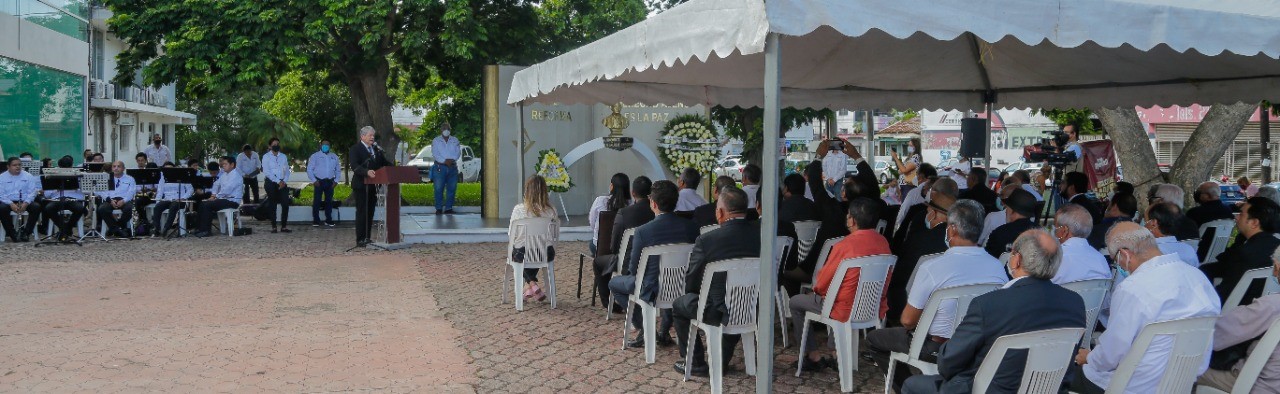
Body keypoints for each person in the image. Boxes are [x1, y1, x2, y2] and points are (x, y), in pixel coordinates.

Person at [904, 229, 1086, 393]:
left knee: (912, 385)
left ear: (1017, 260)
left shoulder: (989, 304)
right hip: (1047, 389)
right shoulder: (1075, 303)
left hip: (986, 389)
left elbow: (948, 363)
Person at [867, 199, 1008, 391]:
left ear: (952, 229)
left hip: (938, 347)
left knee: (874, 339)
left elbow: (908, 321)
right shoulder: (997, 267)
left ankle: (908, 389)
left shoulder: (932, 267)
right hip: (981, 347)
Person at [1071, 222, 1220, 393]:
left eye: (1115, 260)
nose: (1118, 266)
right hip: (1180, 382)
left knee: (1061, 376)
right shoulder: (1198, 278)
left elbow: (1112, 353)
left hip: (1129, 385)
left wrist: (1089, 358)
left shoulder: (1133, 287)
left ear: (1124, 254)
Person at [787, 197, 891, 369]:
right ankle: (836, 352)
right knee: (842, 293)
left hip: (843, 308)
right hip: (872, 306)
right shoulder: (883, 242)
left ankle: (812, 356)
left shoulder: (845, 245)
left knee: (796, 302)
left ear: (852, 220)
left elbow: (822, 282)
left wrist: (816, 292)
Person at [672, 186, 759, 377]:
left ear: (720, 212)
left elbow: (692, 280)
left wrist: (693, 293)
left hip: (715, 310)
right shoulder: (762, 236)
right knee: (735, 304)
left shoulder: (707, 240)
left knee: (680, 305)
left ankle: (695, 362)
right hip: (752, 306)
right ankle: (721, 360)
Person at [608, 180, 698, 348]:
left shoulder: (643, 231)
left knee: (614, 283)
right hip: (682, 286)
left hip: (651, 288)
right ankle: (663, 331)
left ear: (653, 203)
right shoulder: (691, 227)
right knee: (668, 285)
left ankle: (645, 329)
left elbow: (634, 268)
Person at [1197, 248, 1280, 392]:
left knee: (1179, 367)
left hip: (1257, 384)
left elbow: (1214, 335)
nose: (1273, 273)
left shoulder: (1271, 305)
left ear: (1278, 267)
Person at [1202, 197, 1280, 305]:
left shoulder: (1245, 254)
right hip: (1271, 310)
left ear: (1254, 223)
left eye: (1241, 214)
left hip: (1242, 312)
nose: (1237, 217)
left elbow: (1224, 295)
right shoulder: (1276, 246)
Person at [593, 176, 654, 309]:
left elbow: (614, 245)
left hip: (628, 262)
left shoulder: (624, 213)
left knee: (598, 262)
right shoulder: (655, 213)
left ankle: (607, 301)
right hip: (653, 262)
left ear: (633, 193)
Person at [511, 175, 561, 302]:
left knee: (515, 254)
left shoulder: (519, 210)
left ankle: (530, 284)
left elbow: (511, 234)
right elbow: (554, 235)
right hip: (546, 252)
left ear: (527, 190)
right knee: (537, 252)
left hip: (523, 253)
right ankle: (531, 285)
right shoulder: (551, 211)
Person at [1050, 204, 1112, 284]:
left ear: (1064, 231)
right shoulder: (1100, 259)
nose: (1054, 231)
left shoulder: (1054, 258)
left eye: (1055, 227)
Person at [350, 126, 389, 246]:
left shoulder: (376, 150)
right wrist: (366, 172)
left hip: (374, 186)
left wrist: (396, 169)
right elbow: (355, 166)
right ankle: (360, 239)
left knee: (370, 212)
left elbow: (384, 163)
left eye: (373, 135)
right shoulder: (355, 149)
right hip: (361, 185)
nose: (372, 137)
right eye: (370, 135)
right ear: (362, 136)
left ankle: (367, 237)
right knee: (362, 212)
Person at [192, 157, 243, 237]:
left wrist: (215, 196)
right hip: (223, 199)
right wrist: (213, 194)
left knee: (207, 205)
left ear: (232, 165)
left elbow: (227, 190)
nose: (223, 166)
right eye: (223, 164)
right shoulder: (225, 175)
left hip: (232, 201)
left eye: (225, 164)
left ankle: (206, 230)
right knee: (202, 203)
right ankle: (199, 228)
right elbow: (216, 184)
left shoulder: (236, 175)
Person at [984, 188, 1039, 258]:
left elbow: (988, 260)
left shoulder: (999, 233)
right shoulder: (1041, 234)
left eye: (1007, 208)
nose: (1006, 211)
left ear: (1012, 210)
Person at [42, 156, 86, 241]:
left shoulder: (78, 174)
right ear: (59, 167)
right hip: (57, 198)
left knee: (80, 208)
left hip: (73, 198)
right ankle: (65, 229)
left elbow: (84, 192)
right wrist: (56, 188)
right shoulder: (52, 175)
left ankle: (66, 229)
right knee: (48, 208)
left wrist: (77, 187)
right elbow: (47, 194)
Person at [1144, 202, 1200, 267]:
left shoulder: (1145, 251)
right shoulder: (1189, 250)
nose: (1144, 226)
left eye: (1146, 221)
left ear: (1153, 223)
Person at [0, 157, 42, 242]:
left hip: (24, 200)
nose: (17, 167)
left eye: (19, 165)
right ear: (8, 166)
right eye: (14, 165)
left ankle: (26, 233)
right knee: (2, 208)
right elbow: (1, 194)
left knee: (36, 207)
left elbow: (32, 192)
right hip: (8, 201)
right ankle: (12, 234)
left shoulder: (28, 176)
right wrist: (11, 204)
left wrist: (26, 203)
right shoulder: (2, 177)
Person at [588, 173, 630, 255]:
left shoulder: (600, 200)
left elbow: (592, 222)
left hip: (600, 247)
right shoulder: (631, 204)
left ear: (611, 186)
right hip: (623, 248)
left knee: (592, 243)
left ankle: (600, 264)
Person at [95, 161, 137, 238]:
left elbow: (132, 192)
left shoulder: (130, 179)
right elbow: (100, 191)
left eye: (118, 166)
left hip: (124, 199)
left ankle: (115, 228)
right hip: (110, 199)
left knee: (130, 209)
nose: (116, 168)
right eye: (114, 166)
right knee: (102, 209)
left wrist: (124, 200)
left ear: (123, 168)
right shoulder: (106, 178)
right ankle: (118, 230)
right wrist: (109, 200)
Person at [149, 161, 192, 237]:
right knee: (158, 207)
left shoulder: (182, 175)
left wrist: (183, 198)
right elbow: (160, 191)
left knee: (174, 206)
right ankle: (156, 228)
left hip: (180, 199)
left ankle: (167, 227)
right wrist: (158, 201)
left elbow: (190, 189)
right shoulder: (162, 177)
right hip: (167, 199)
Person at [261, 137, 292, 233]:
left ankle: (284, 226)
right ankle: (274, 226)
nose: (276, 146)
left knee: (285, 204)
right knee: (272, 204)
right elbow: (267, 172)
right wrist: (278, 181)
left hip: (282, 183)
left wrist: (284, 181)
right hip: (271, 183)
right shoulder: (266, 157)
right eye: (274, 145)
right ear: (270, 146)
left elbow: (287, 171)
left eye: (277, 144)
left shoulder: (283, 156)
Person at [306, 139, 340, 227]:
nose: (326, 146)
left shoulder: (334, 156)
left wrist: (336, 181)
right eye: (324, 145)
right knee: (317, 201)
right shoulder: (315, 156)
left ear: (330, 146)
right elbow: (309, 169)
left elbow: (338, 170)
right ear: (321, 146)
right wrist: (314, 180)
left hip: (330, 182)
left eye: (327, 145)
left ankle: (328, 220)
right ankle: (316, 220)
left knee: (329, 201)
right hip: (319, 181)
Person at [430, 121, 461, 214]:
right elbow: (435, 154)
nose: (446, 130)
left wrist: (451, 160)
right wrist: (444, 161)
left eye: (448, 129)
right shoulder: (436, 141)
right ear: (441, 130)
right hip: (440, 167)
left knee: (452, 188)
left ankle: (448, 208)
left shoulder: (455, 140)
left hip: (452, 167)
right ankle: (438, 208)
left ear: (450, 130)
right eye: (444, 128)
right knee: (438, 188)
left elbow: (458, 153)